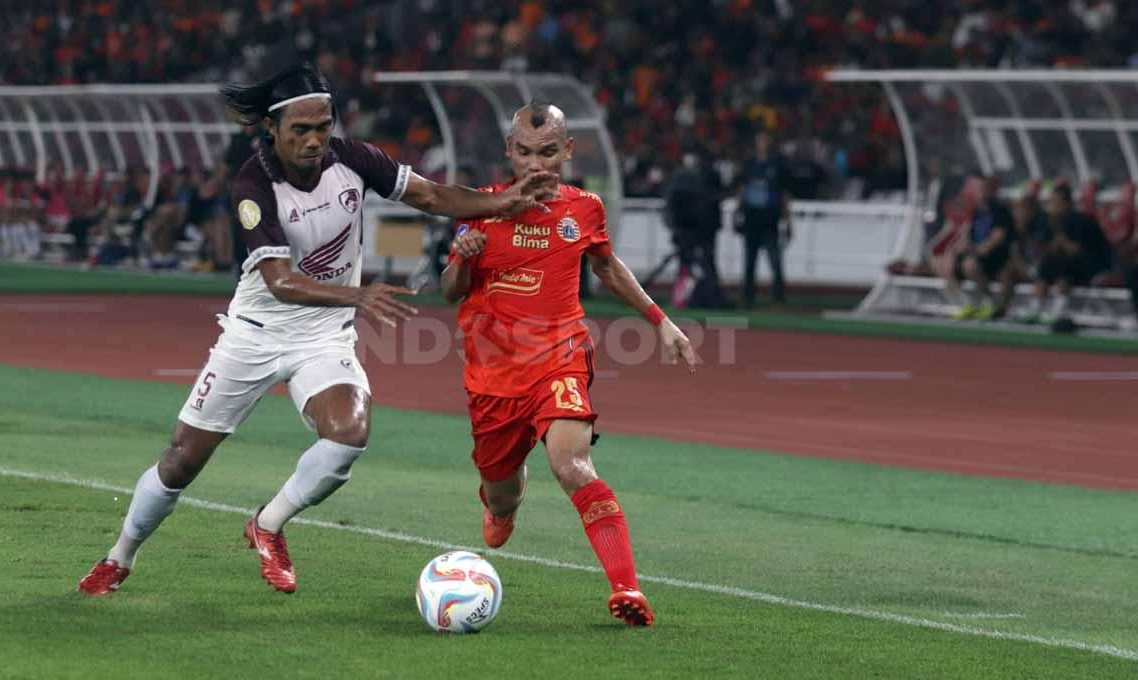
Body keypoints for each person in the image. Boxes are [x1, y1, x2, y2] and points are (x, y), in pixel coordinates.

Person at [78, 63, 557, 597]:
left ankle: (267, 524)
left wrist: (501, 203)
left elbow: (431, 196)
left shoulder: (353, 159)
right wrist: (360, 294)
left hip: (323, 335)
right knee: (182, 460)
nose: (313, 140)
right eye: (300, 130)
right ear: (273, 129)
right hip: (256, 331)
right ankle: (120, 556)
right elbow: (280, 281)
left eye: (322, 127)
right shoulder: (254, 184)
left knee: (349, 433)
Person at [439, 100, 699, 627]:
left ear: (568, 151)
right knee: (500, 496)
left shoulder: (585, 209)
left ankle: (626, 588)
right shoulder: (478, 207)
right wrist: (464, 257)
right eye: (527, 153)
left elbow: (605, 265)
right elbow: (450, 291)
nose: (537, 165)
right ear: (509, 150)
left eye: (549, 153)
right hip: (492, 374)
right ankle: (502, 501)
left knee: (573, 465)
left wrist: (660, 320)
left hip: (560, 357)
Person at [1019, 183, 1111, 323]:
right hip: (1066, 264)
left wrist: (1059, 235)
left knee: (1065, 267)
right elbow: (1048, 250)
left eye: (1057, 202)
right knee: (1047, 265)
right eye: (1052, 202)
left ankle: (1059, 309)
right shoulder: (1048, 221)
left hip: (1092, 263)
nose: (1053, 206)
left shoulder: (1081, 220)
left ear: (1068, 203)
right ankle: (1036, 306)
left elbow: (1076, 250)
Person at [945, 176, 1015, 320]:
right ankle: (967, 303)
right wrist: (959, 248)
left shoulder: (1001, 211)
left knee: (969, 265)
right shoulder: (975, 212)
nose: (982, 193)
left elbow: (997, 238)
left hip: (995, 257)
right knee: (948, 263)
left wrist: (976, 250)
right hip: (976, 254)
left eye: (985, 189)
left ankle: (991, 301)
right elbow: (967, 235)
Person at [737, 131, 792, 308]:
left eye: (765, 140)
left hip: (770, 218)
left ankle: (778, 296)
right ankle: (748, 297)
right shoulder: (749, 164)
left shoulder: (778, 165)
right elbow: (742, 189)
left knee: (775, 259)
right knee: (749, 260)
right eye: (759, 140)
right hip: (751, 217)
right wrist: (738, 212)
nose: (762, 143)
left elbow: (784, 194)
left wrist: (788, 220)